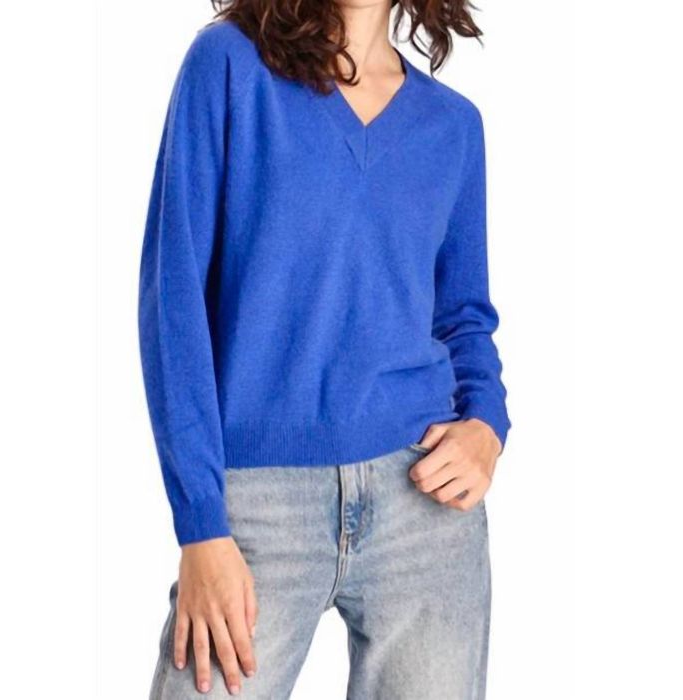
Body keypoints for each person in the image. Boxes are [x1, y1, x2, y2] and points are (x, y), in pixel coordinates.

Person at [138, 1, 510, 697]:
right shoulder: (228, 66)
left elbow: (462, 315)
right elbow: (174, 303)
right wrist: (200, 523)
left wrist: (487, 423)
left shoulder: (453, 126)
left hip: (424, 501)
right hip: (257, 508)